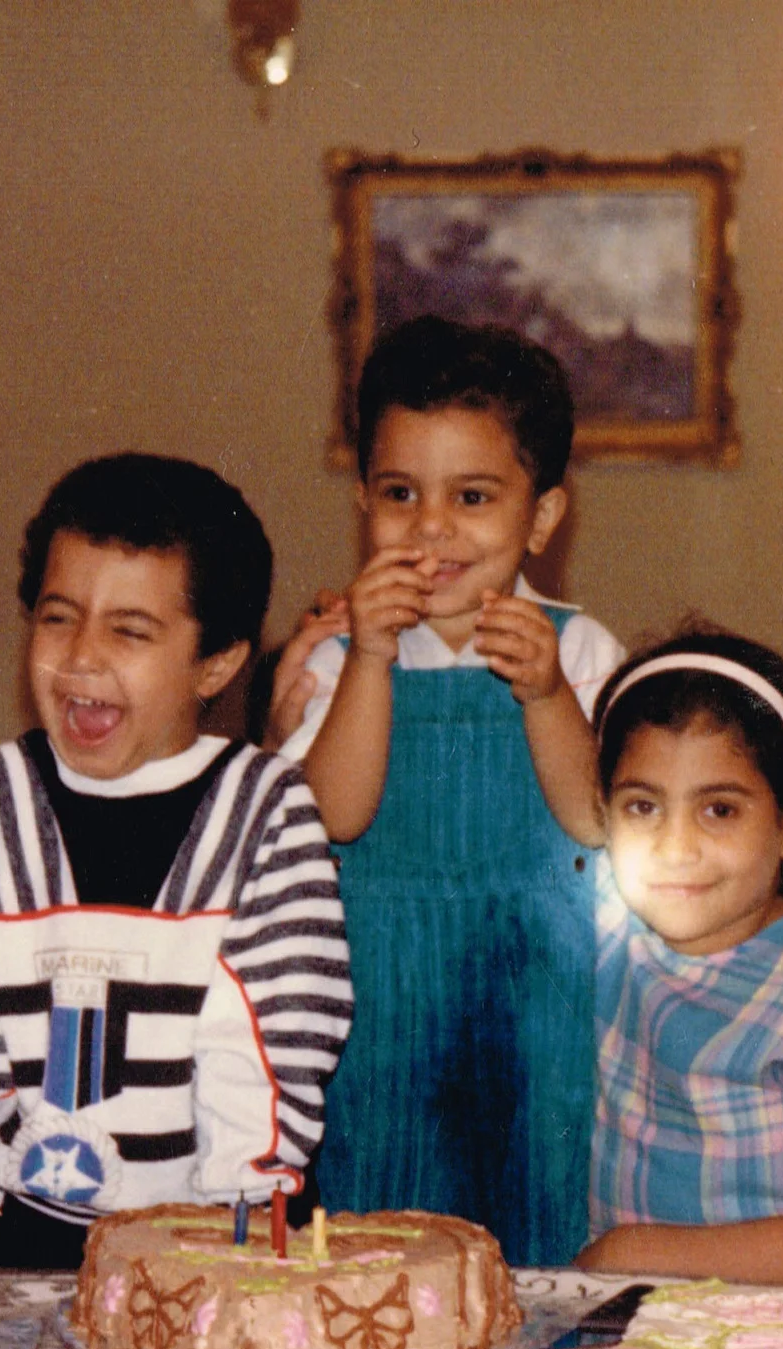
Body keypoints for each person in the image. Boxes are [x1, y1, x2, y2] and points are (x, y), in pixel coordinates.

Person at [0, 455, 349, 1276]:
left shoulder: (264, 811)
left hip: (214, 1238)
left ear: (216, 663)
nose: (81, 656)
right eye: (59, 617)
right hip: (18, 1243)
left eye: (130, 631)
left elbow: (277, 1046)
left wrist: (233, 1227)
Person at [276, 316, 626, 1267]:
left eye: (472, 496)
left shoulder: (582, 650)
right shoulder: (343, 658)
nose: (431, 527)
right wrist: (370, 661)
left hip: (539, 1002)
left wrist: (547, 695)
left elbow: (599, 820)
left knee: (538, 1223)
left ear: (541, 517)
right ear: (363, 501)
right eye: (401, 494)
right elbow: (333, 816)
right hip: (382, 1008)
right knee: (384, 1242)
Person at [575, 631, 783, 1283]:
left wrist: (625, 1255)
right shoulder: (610, 934)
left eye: (719, 810)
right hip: (635, 1322)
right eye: (642, 806)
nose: (675, 847)